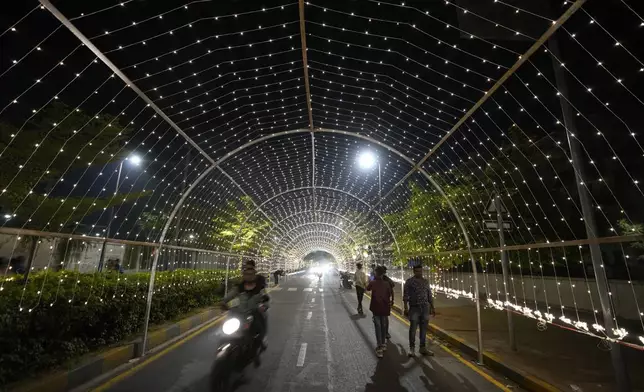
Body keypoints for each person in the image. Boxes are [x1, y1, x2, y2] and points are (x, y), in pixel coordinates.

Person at [221, 260, 269, 351]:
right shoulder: (240, 287)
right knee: (226, 328)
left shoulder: (259, 286)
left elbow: (265, 297)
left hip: (254, 313)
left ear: (254, 273)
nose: (248, 276)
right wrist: (224, 302)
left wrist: (264, 306)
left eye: (250, 273)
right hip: (240, 313)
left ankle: (262, 339)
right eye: (246, 273)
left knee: (262, 320)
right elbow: (231, 294)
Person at [403, 263, 435, 357]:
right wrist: (406, 307)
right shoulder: (409, 282)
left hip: (425, 307)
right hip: (414, 308)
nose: (419, 273)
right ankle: (412, 348)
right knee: (413, 329)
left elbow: (429, 294)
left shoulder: (426, 281)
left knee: (424, 329)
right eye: (417, 271)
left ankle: (422, 347)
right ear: (414, 271)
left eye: (420, 271)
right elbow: (405, 295)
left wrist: (432, 307)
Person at [366, 266, 393, 358]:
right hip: (385, 306)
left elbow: (368, 288)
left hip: (376, 307)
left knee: (378, 326)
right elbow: (389, 293)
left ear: (376, 273)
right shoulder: (387, 283)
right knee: (383, 325)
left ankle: (379, 346)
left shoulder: (373, 282)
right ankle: (383, 343)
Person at [381, 266, 395, 340]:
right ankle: (385, 332)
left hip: (385, 301)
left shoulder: (387, 280)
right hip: (381, 301)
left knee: (385, 317)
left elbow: (392, 290)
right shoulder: (385, 279)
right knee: (383, 317)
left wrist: (392, 299)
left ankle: (385, 332)